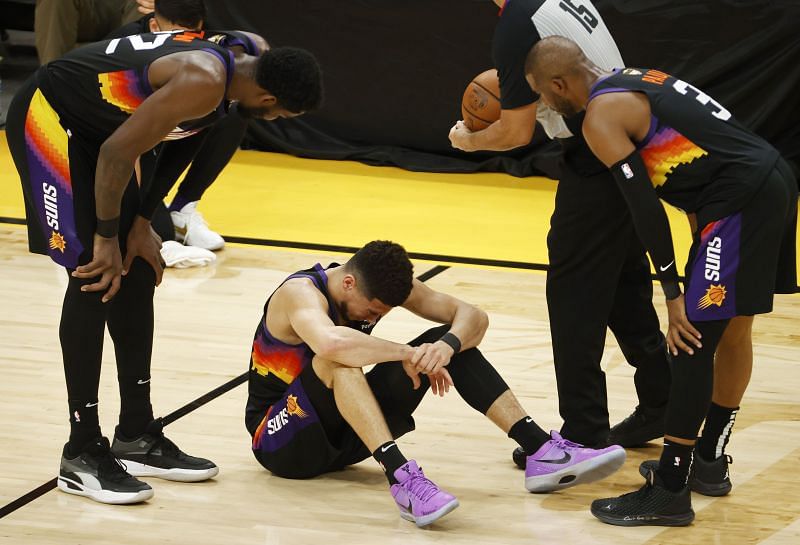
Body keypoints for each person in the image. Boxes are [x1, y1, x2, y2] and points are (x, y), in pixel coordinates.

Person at [5, 28, 323, 504]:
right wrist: (107, 237)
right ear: (268, 94)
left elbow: (178, 142)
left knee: (137, 270)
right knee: (94, 271)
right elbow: (118, 153)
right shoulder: (204, 79)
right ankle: (82, 450)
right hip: (51, 116)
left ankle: (135, 433)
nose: (274, 119)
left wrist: (139, 222)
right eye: (278, 111)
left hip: (102, 131)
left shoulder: (244, 65)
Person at [523, 36, 797, 526]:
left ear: (560, 84)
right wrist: (698, 218)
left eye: (542, 93)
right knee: (733, 331)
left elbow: (643, 207)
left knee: (688, 341)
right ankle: (707, 461)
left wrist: (671, 292)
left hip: (737, 204)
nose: (544, 103)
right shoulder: (639, 79)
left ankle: (670, 489)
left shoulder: (598, 118)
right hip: (770, 182)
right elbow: (708, 145)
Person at [245, 240, 626, 527]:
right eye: (374, 311)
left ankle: (540, 451)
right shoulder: (299, 293)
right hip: (281, 440)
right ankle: (402, 479)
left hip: (345, 435)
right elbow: (332, 343)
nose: (376, 317)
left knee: (447, 340)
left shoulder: (379, 287)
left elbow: (472, 316)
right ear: (347, 283)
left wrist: (443, 348)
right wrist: (408, 354)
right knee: (341, 359)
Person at [449, 0, 672, 459]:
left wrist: (466, 140)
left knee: (572, 298)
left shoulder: (516, 24)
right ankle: (662, 402)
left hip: (595, 152)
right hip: (629, 136)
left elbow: (515, 132)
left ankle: (584, 432)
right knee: (623, 286)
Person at [109, 0, 250, 254]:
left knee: (231, 110)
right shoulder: (124, 44)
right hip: (115, 141)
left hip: (156, 132)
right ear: (153, 24)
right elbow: (116, 141)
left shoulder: (208, 42)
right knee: (155, 235)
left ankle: (183, 208)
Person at [34, 0, 144, 64]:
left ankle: (129, 85)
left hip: (130, 9)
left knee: (144, 4)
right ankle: (51, 83)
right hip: (86, 11)